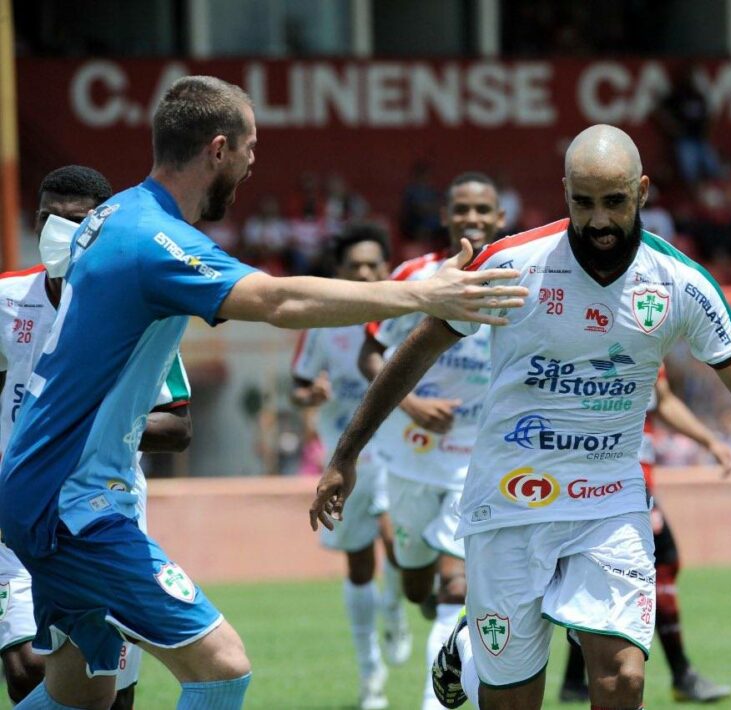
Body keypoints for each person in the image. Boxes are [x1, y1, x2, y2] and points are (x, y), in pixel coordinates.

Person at [312, 124, 731, 710]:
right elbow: (414, 352)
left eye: (614, 202)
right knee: (513, 701)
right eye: (583, 203)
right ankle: (469, 647)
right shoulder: (513, 265)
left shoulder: (679, 282)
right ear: (564, 192)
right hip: (507, 501)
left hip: (608, 503)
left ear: (642, 191)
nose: (599, 220)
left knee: (621, 680)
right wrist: (345, 456)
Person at [0, 75, 525, 710]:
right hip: (72, 501)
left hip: (48, 487)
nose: (254, 164)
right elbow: (279, 300)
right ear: (218, 149)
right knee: (221, 668)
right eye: (251, 147)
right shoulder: (153, 239)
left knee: (81, 694)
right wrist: (422, 293)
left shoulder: (121, 217)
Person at [0, 165, 192, 709]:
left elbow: (178, 428)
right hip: (15, 513)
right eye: (46, 218)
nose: (57, 230)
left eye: (75, 220)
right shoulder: (7, 299)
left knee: (109, 688)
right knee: (27, 668)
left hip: (104, 510)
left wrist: (83, 426)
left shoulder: (133, 309)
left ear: (100, 225)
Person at [358, 172, 504, 710]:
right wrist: (412, 404)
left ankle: (433, 701)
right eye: (461, 208)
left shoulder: (517, 281)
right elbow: (369, 355)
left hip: (478, 461)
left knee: (455, 587)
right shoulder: (414, 276)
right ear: (445, 216)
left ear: (499, 218)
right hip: (411, 459)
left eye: (482, 210)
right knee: (418, 581)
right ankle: (395, 595)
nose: (471, 218)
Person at [558, 367, 731, 703]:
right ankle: (682, 674)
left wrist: (709, 440)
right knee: (657, 563)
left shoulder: (648, 342)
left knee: (596, 578)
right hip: (611, 485)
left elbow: (664, 401)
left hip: (628, 483)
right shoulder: (595, 340)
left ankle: (573, 680)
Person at [290, 223, 410, 710]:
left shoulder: (405, 318)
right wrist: (309, 395)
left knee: (396, 540)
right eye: (354, 265)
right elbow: (297, 386)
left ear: (386, 268)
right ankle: (371, 680)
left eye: (372, 264)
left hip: (398, 451)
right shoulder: (321, 325)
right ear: (339, 271)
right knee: (360, 564)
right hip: (346, 460)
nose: (363, 273)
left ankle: (397, 608)